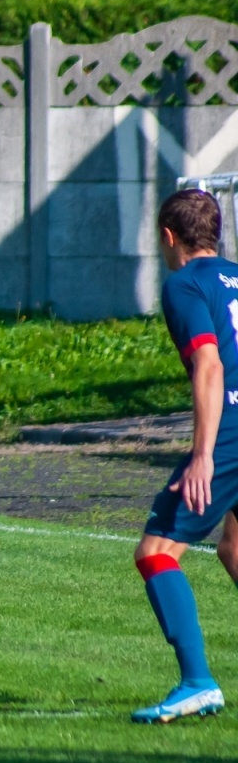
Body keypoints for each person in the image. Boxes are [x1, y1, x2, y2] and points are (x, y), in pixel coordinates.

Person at [128, 187, 238, 723]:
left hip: (231, 432)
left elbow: (210, 366)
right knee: (235, 550)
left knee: (156, 553)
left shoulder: (184, 284)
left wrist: (202, 455)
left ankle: (197, 682)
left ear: (168, 237)